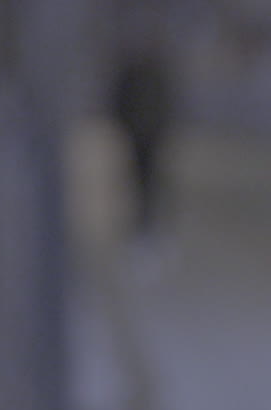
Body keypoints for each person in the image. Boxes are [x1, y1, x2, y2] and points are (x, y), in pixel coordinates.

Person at [109, 29, 176, 249]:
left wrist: (163, 127)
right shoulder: (131, 72)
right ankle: (137, 226)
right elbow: (119, 100)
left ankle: (151, 226)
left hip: (154, 136)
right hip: (135, 135)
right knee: (135, 180)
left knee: (152, 182)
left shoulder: (158, 72)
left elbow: (167, 102)